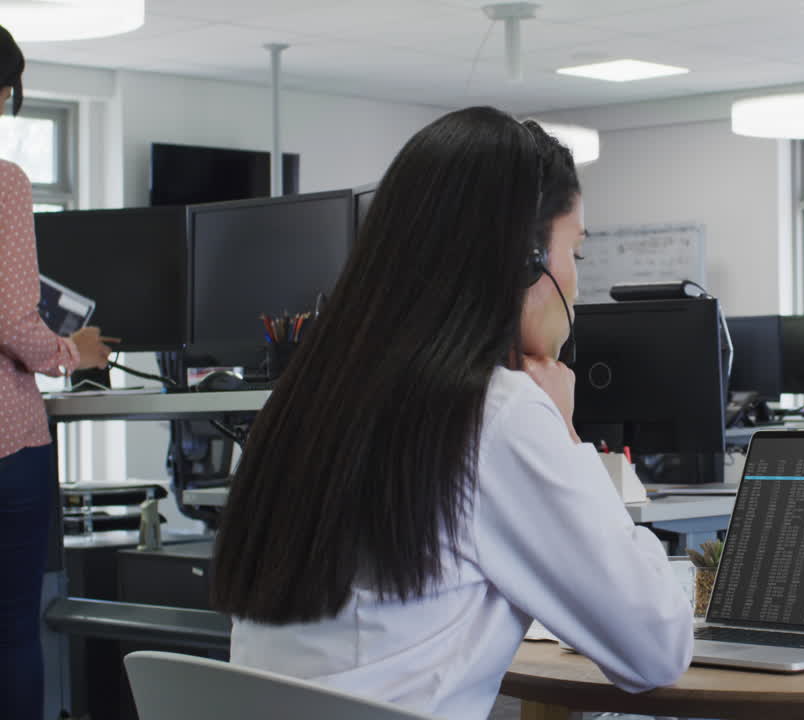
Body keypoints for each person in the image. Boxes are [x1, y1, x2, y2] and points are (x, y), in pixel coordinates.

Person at [210, 107, 693, 720]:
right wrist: (568, 435)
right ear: (525, 262)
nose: (575, 282)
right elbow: (657, 649)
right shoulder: (498, 414)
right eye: (575, 252)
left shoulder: (305, 401)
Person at [0, 23, 116, 720]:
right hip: (5, 442)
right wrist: (75, 351)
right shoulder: (4, 183)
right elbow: (15, 322)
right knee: (11, 627)